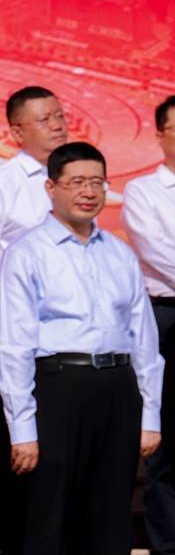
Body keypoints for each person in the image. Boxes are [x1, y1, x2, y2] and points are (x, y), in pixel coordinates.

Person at [0, 141, 163, 554]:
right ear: (51, 187)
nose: (88, 192)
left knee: (110, 517)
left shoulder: (121, 254)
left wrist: (150, 416)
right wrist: (22, 430)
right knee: (49, 516)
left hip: (117, 390)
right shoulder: (26, 253)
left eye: (97, 182)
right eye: (77, 182)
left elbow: (144, 341)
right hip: (57, 388)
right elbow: (15, 347)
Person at [0, 85, 67, 554]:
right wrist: (0, 317)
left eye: (59, 115)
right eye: (45, 118)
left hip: (72, 341)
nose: (58, 125)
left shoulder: (73, 180)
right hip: (25, 340)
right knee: (21, 449)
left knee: (63, 448)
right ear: (17, 131)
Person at [122, 95, 175, 553]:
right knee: (168, 443)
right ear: (159, 135)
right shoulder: (143, 192)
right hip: (168, 316)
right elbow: (159, 253)